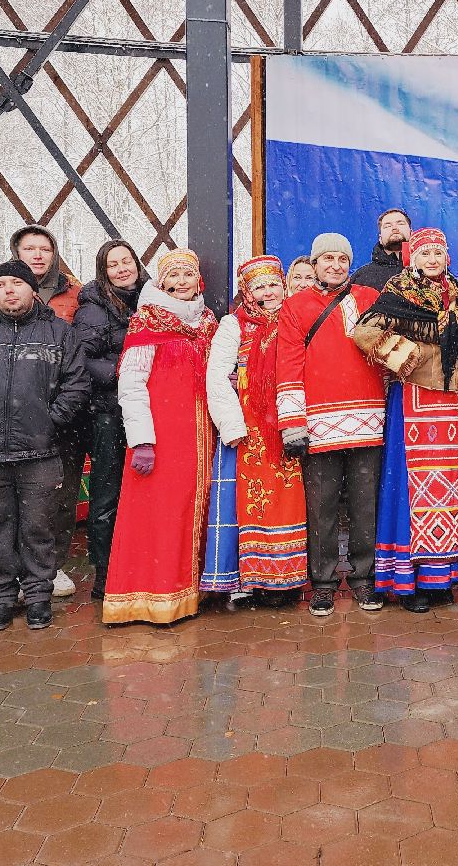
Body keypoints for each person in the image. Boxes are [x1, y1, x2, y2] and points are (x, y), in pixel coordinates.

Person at [0, 261, 89, 631]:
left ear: (32, 289)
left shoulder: (57, 332)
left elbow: (76, 385)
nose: (10, 290)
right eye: (2, 284)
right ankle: (2, 598)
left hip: (39, 453)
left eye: (17, 283)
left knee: (39, 529)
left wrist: (49, 422)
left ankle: (39, 597)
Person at [353, 228, 458, 612]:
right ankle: (411, 580)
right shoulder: (399, 291)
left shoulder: (456, 295)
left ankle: (441, 577)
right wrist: (402, 354)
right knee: (410, 487)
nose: (432, 260)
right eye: (425, 254)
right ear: (412, 259)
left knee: (446, 488)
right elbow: (364, 330)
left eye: (438, 252)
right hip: (412, 398)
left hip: (447, 400)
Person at [103, 249, 218, 626]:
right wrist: (142, 440)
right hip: (162, 439)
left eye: (188, 275)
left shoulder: (207, 323)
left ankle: (190, 592)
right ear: (162, 282)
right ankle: (154, 595)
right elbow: (131, 385)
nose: (182, 282)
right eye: (174, 276)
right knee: (161, 515)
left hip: (201, 437)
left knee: (193, 509)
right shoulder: (147, 323)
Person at [0, 224, 85, 597]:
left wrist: (55, 415)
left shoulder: (74, 294)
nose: (37, 255)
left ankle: (51, 568)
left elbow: (75, 363)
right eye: (29, 248)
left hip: (52, 419)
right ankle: (11, 577)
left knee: (56, 497)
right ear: (15, 254)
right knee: (4, 503)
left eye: (45, 249)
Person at [276, 234, 388, 618]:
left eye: (342, 258)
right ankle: (322, 583)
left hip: (368, 419)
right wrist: (293, 422)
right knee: (321, 507)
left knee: (364, 504)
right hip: (318, 422)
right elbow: (288, 363)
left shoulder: (369, 298)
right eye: (328, 258)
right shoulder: (295, 306)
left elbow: (391, 346)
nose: (336, 265)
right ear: (315, 263)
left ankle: (363, 579)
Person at [203, 256, 308, 606]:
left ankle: (290, 578)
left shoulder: (296, 317)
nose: (267, 292)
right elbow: (217, 375)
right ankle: (260, 579)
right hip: (252, 427)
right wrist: (231, 424)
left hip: (291, 419)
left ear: (284, 285)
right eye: (258, 286)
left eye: (273, 284)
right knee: (255, 501)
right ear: (246, 292)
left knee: (294, 499)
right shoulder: (234, 325)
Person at [73, 239, 148, 599]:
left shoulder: (153, 297)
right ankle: (105, 574)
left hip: (148, 409)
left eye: (127, 261)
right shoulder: (93, 307)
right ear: (103, 272)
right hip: (108, 412)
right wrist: (127, 372)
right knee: (107, 493)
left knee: (145, 491)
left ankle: (141, 565)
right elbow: (82, 359)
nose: (122, 268)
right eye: (113, 264)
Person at [351, 207, 412, 290]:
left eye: (400, 223)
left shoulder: (427, 269)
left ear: (411, 232)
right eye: (387, 226)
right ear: (380, 238)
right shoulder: (362, 277)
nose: (394, 228)